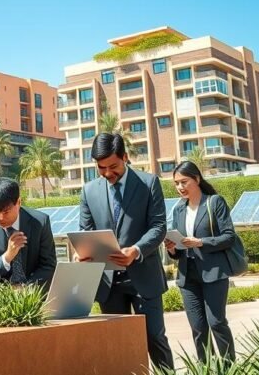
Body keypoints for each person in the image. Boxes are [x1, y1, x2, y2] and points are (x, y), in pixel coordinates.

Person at [78, 133, 173, 372]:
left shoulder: (149, 182)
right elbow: (86, 231)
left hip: (144, 277)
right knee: (115, 345)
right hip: (108, 282)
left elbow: (159, 226)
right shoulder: (88, 191)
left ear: (125, 157)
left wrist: (137, 250)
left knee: (155, 339)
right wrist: (84, 252)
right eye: (101, 168)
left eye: (113, 166)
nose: (108, 173)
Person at [164, 160, 237, 363]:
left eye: (184, 182)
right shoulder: (178, 210)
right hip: (188, 277)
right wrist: (172, 249)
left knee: (216, 323)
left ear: (196, 179)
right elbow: (180, 249)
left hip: (213, 273)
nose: (180, 187)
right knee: (198, 327)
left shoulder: (215, 202)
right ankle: (205, 367)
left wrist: (201, 242)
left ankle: (229, 367)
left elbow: (229, 236)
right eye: (176, 183)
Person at [0, 178, 57, 289]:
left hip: (34, 293)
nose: (1, 218)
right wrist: (7, 257)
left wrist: (26, 290)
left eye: (6, 212)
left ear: (18, 202)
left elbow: (48, 266)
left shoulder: (40, 222)